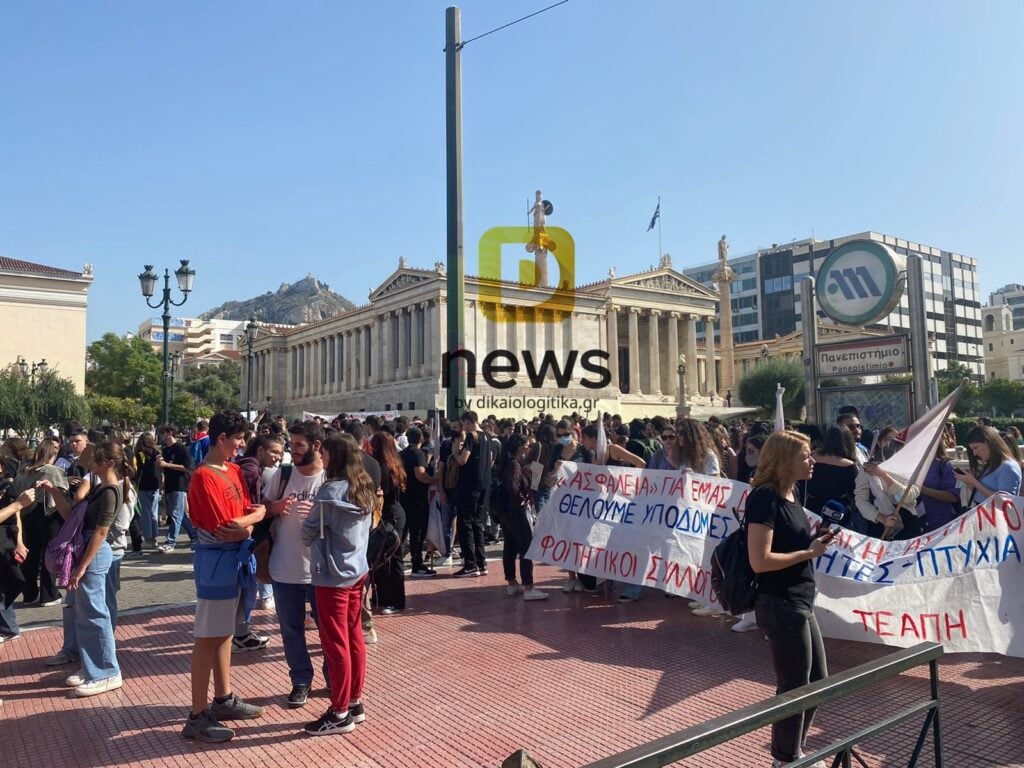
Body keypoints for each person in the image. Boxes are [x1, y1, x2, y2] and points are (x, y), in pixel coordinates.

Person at [745, 431, 835, 768]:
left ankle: (792, 750)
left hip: (800, 598)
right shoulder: (764, 500)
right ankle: (786, 758)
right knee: (794, 682)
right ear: (785, 460)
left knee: (817, 680)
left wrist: (813, 542)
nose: (812, 461)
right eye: (806, 456)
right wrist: (808, 552)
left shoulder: (791, 494)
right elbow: (760, 560)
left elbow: (789, 545)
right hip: (779, 602)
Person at [181, 411, 266, 743]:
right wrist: (257, 516)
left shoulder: (231, 469)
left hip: (232, 562)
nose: (242, 444)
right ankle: (197, 715)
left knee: (224, 633)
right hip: (217, 562)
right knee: (207, 637)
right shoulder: (204, 476)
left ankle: (223, 698)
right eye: (237, 438)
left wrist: (251, 518)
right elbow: (227, 528)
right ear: (221, 439)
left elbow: (243, 515)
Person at [38, 442, 128, 697]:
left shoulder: (110, 491)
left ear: (109, 463)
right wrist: (53, 489)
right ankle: (94, 668)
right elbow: (71, 515)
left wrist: (82, 567)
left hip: (93, 553)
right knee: (84, 613)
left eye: (95, 461)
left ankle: (106, 671)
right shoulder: (101, 489)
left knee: (94, 614)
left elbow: (101, 532)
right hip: (88, 552)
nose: (90, 464)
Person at [300, 433, 375, 735]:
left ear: (335, 456)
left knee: (334, 642)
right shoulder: (364, 486)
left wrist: (309, 520)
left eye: (325, 452)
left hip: (331, 574)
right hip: (357, 569)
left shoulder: (330, 492)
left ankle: (339, 710)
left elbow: (307, 532)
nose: (322, 457)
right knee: (354, 635)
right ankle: (354, 702)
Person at [263, 420, 327, 707]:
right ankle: (301, 680)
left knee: (327, 630)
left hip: (321, 570)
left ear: (316, 446)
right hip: (284, 567)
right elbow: (262, 511)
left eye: (299, 445)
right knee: (291, 630)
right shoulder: (283, 475)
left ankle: (333, 677)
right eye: (292, 444)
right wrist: (273, 509)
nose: (294, 450)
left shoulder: (329, 479)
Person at [12, 441, 68, 607]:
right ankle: (49, 594)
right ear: (51, 454)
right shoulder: (51, 471)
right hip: (48, 513)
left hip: (27, 513)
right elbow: (62, 491)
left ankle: (29, 594)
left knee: (31, 555)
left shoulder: (23, 471)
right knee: (49, 553)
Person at [499, 433, 548, 602]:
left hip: (505, 512)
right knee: (525, 547)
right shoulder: (515, 465)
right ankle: (529, 586)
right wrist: (520, 500)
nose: (528, 449)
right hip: (516, 512)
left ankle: (512, 583)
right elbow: (512, 487)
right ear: (520, 447)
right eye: (527, 446)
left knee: (510, 546)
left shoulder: (508, 463)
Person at [366, 431, 406, 613]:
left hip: (389, 515)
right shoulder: (393, 463)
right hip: (394, 513)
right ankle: (384, 597)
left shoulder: (381, 467)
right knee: (386, 557)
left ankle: (393, 600)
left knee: (390, 557)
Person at [450, 412, 492, 579]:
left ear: (468, 422)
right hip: (484, 486)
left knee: (465, 524)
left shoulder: (471, 437)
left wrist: (455, 450)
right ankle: (481, 563)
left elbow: (462, 460)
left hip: (470, 487)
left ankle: (470, 564)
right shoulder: (487, 436)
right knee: (478, 524)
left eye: (463, 424)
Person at [0, 487, 39, 643]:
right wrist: (17, 504)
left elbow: (17, 518)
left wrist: (20, 542)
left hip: (5, 545)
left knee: (13, 583)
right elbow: (17, 507)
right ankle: (8, 628)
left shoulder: (8, 488)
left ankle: (8, 628)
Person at [399, 426, 436, 578]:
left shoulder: (401, 454)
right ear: (421, 439)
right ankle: (417, 564)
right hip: (418, 499)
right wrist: (435, 480)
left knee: (404, 531)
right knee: (418, 533)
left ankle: (398, 562)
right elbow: (420, 475)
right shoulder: (418, 453)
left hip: (404, 497)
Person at [802, 426, 858, 523]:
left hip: (812, 507)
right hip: (838, 510)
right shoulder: (850, 466)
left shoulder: (812, 458)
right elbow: (854, 493)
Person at [957, 425, 1023, 504]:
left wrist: (974, 482)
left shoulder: (1007, 467)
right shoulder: (992, 464)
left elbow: (1005, 502)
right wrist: (969, 481)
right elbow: (980, 495)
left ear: (989, 442)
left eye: (975, 447)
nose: (974, 453)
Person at [157, 425, 197, 552]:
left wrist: (167, 464)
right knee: (179, 513)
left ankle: (171, 541)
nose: (161, 436)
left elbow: (187, 467)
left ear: (170, 433)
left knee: (176, 513)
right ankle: (194, 534)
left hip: (179, 484)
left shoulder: (180, 448)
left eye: (162, 433)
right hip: (169, 484)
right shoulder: (165, 449)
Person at [918, 443, 960, 532]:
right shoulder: (913, 465)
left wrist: (923, 489)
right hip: (916, 524)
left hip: (940, 523)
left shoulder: (944, 465)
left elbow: (953, 496)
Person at [134, 433, 162, 549]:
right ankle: (154, 537)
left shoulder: (140, 454)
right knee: (153, 513)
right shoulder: (157, 453)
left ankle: (148, 538)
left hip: (144, 485)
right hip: (155, 484)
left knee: (145, 513)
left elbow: (138, 471)